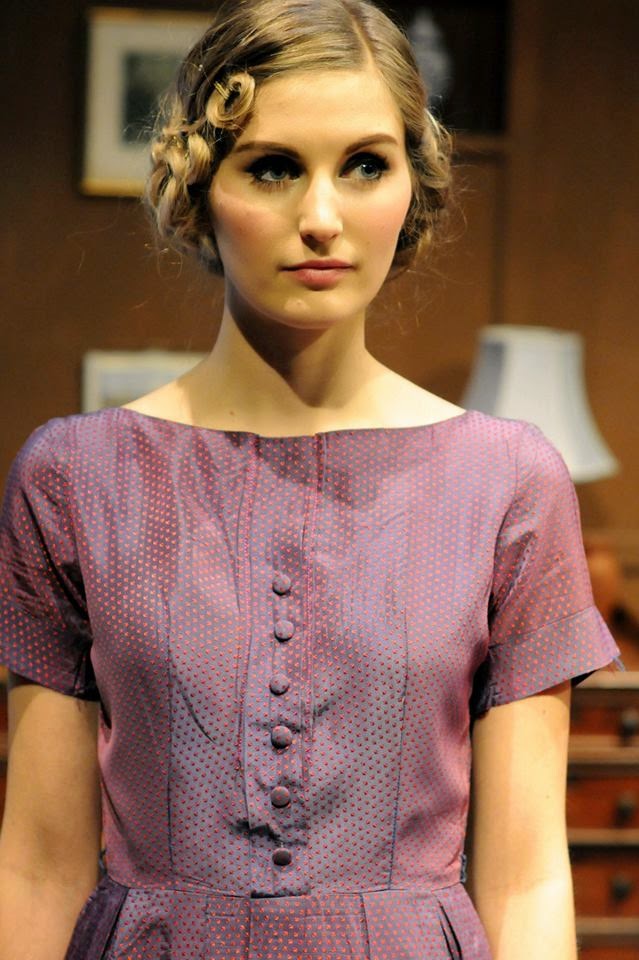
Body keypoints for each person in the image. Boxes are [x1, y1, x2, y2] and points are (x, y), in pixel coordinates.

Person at [0, 1, 622, 958]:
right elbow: (40, 865)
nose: (322, 218)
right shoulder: (75, 479)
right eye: (273, 167)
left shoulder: (506, 482)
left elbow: (526, 876)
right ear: (203, 186)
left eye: (365, 164)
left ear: (412, 184)